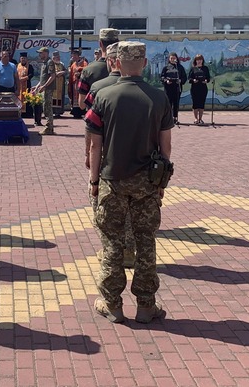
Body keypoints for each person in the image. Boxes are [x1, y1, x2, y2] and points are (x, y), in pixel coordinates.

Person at [86, 41, 174, 324]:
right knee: (146, 241)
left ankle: (112, 304)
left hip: (112, 180)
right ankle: (146, 305)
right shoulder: (159, 98)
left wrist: (94, 181)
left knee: (112, 241)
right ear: (144, 63)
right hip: (147, 181)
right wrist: (162, 183)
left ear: (116, 63)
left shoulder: (103, 96)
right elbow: (166, 146)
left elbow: (95, 145)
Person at [84, 42, 136, 269]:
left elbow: (91, 129)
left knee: (101, 204)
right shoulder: (145, 90)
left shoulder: (98, 88)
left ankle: (110, 250)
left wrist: (88, 156)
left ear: (111, 61)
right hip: (137, 158)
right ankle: (129, 251)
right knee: (131, 207)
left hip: (107, 157)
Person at [78, 28, 120, 110]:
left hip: (95, 116)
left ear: (100, 44)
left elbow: (82, 105)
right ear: (118, 43)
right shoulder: (126, 69)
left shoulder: (88, 70)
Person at [32, 46, 56, 135]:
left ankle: (49, 128)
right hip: (44, 88)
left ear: (45, 53)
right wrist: (37, 86)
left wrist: (45, 86)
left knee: (47, 108)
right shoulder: (44, 63)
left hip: (48, 89)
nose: (39, 55)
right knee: (45, 107)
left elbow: (52, 76)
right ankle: (49, 127)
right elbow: (43, 78)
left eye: (41, 53)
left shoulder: (50, 62)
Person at [160, 52, 187, 125]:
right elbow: (162, 77)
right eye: (171, 58)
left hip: (177, 88)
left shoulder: (180, 67)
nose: (173, 59)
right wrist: (166, 80)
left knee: (176, 103)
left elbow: (184, 77)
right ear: (169, 59)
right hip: (168, 88)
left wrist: (180, 80)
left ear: (176, 59)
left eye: (174, 58)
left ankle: (175, 117)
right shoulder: (166, 67)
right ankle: (168, 118)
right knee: (168, 103)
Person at [188, 54, 211, 124]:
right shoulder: (193, 68)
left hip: (203, 88)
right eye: (197, 60)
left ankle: (200, 119)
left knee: (201, 104)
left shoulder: (205, 68)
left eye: (200, 59)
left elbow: (208, 78)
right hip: (194, 88)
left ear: (202, 60)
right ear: (195, 61)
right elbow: (189, 79)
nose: (199, 61)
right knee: (195, 104)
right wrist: (193, 80)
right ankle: (196, 118)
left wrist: (206, 80)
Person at [69, 48, 89, 118]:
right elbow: (71, 74)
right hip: (75, 83)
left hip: (81, 82)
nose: (73, 57)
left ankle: (82, 111)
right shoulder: (73, 64)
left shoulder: (84, 63)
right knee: (75, 98)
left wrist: (80, 74)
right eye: (72, 55)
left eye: (74, 55)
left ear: (78, 55)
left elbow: (86, 71)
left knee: (81, 96)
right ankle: (75, 111)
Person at [51, 50, 67, 117]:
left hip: (60, 84)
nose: (58, 58)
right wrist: (56, 74)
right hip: (53, 84)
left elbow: (65, 71)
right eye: (57, 57)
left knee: (60, 97)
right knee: (53, 97)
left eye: (59, 57)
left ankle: (58, 112)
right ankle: (52, 111)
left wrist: (62, 72)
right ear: (53, 58)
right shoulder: (51, 64)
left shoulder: (61, 64)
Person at [16, 52, 32, 117]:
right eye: (22, 58)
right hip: (18, 85)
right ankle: (19, 113)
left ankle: (27, 114)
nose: (23, 59)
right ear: (20, 59)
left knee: (27, 98)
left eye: (24, 58)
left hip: (26, 85)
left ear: (26, 59)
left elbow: (31, 74)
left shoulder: (29, 66)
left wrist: (25, 78)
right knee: (18, 98)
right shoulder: (17, 66)